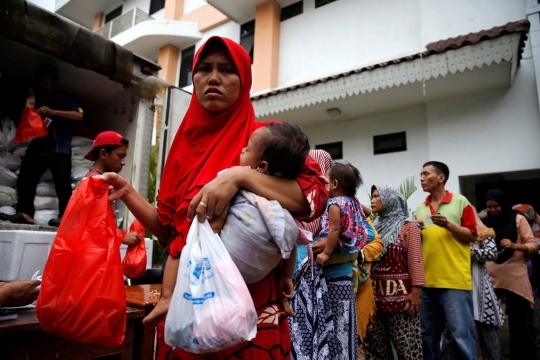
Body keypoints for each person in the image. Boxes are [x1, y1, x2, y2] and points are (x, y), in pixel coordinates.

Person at [97, 36, 327, 359]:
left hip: (250, 314)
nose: (213, 78)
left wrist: (239, 175)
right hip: (188, 310)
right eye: (203, 69)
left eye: (227, 70)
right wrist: (128, 193)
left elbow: (314, 196)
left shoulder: (264, 140)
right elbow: (170, 234)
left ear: (244, 78)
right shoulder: (180, 152)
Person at [0, 64, 82, 227]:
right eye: (40, 82)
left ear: (55, 81)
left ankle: (65, 217)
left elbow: (78, 115)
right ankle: (25, 214)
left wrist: (53, 111)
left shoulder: (66, 97)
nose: (43, 85)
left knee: (62, 183)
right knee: (25, 178)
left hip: (59, 146)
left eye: (45, 81)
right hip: (39, 144)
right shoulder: (39, 97)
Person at [415, 161, 478, 360]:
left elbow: (473, 235)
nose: (422, 178)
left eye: (426, 174)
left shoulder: (461, 202)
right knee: (427, 337)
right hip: (427, 282)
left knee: (462, 336)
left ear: (441, 178)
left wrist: (449, 225)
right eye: (421, 174)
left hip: (454, 281)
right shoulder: (420, 209)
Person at [364, 184, 425, 360]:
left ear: (390, 200)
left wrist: (416, 292)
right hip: (375, 298)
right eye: (372, 196)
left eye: (377, 196)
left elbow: (416, 260)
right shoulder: (374, 226)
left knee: (406, 348)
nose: (372, 200)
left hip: (402, 300)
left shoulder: (408, 227)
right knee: (376, 350)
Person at [441, 206, 504, 360]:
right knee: (451, 336)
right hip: (455, 286)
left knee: (488, 334)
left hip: (479, 287)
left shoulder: (483, 231)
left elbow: (492, 253)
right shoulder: (450, 232)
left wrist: (466, 251)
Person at [484, 190, 538, 360]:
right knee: (487, 320)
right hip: (491, 276)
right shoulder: (483, 223)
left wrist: (514, 246)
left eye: (496, 206)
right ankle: (491, 355)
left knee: (519, 317)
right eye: (488, 207)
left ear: (503, 204)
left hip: (515, 275)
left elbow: (533, 245)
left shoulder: (518, 219)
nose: (492, 210)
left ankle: (521, 354)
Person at [83, 131, 143, 248]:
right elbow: (88, 225)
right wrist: (120, 235)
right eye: (120, 156)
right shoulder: (93, 181)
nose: (123, 162)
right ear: (104, 154)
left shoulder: (102, 180)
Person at [512, 203, 540, 358]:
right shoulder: (512, 233)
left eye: (522, 215)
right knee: (521, 323)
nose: (518, 219)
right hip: (520, 287)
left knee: (536, 324)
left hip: (536, 289)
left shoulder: (534, 238)